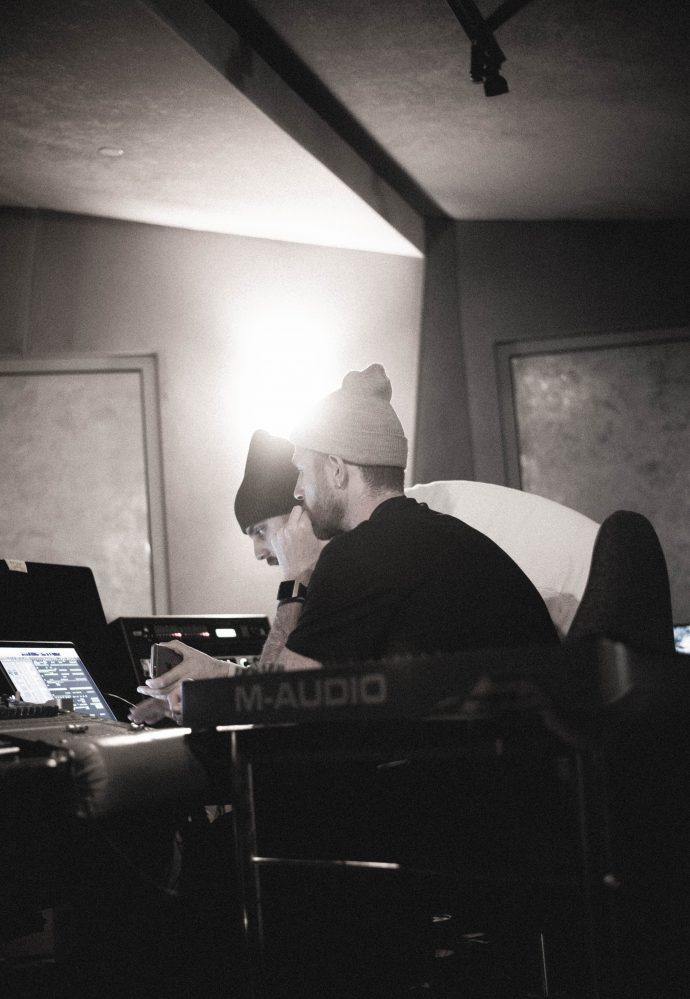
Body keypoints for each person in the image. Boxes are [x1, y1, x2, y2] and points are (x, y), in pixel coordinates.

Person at [141, 363, 558, 719]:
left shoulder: (358, 556)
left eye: (303, 472)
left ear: (337, 470)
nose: (298, 490)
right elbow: (313, 683)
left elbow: (273, 709)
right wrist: (221, 675)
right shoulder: (439, 535)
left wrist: (295, 581)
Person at [128, 428, 322, 724]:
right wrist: (208, 686)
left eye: (260, 531)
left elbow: (269, 700)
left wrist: (293, 580)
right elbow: (278, 687)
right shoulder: (315, 584)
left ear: (300, 515)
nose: (258, 552)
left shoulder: (336, 581)